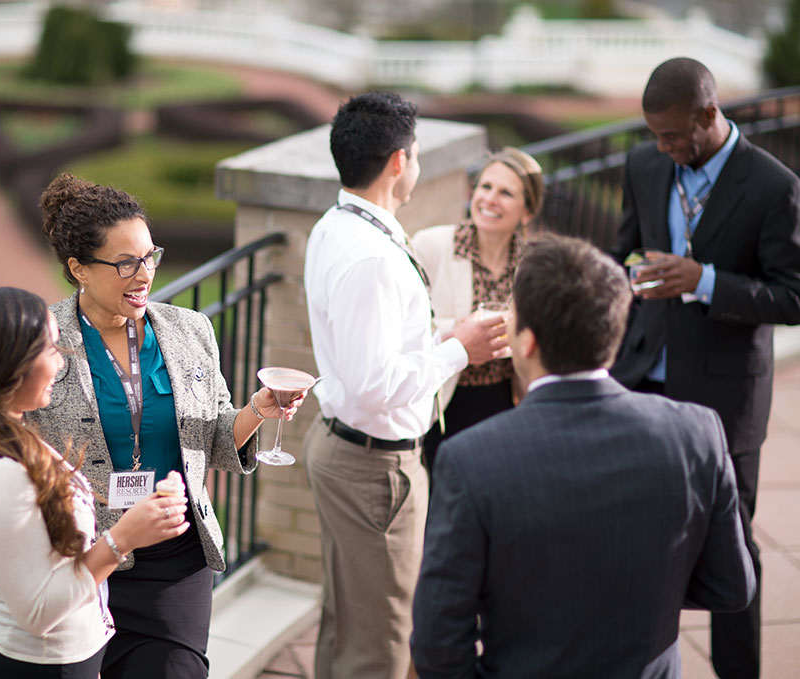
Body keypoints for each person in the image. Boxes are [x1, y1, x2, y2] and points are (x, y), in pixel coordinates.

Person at [0, 174, 304, 678]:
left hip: (172, 557)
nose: (144, 273)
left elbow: (215, 442)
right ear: (78, 268)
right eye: (126, 262)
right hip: (79, 556)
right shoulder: (43, 337)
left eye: (150, 256)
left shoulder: (192, 330)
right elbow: (1, 414)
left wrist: (258, 409)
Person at [411, 234, 757, 679]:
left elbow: (438, 646)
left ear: (528, 342)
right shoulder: (698, 433)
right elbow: (733, 587)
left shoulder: (470, 460)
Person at [610, 57, 800, 679]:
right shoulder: (645, 165)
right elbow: (623, 253)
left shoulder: (775, 186)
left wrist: (706, 282)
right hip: (643, 380)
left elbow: (792, 296)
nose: (661, 148)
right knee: (636, 534)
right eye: (653, 136)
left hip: (727, 400)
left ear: (709, 116)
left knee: (732, 547)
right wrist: (640, 272)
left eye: (671, 136)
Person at [302, 91, 501, 679]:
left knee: (345, 621)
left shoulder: (336, 224)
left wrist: (447, 338)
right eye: (414, 155)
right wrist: (458, 349)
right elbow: (373, 384)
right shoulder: (373, 259)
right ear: (398, 161)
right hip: (374, 472)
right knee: (382, 646)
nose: (416, 165)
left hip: (348, 453)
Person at [0, 286, 190, 678]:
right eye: (51, 350)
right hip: (38, 665)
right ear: (11, 365)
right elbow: (38, 613)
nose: (62, 365)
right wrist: (124, 537)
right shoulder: (4, 478)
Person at [411, 147, 543, 473]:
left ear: (527, 211)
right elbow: (406, 327)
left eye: (506, 193)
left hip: (503, 404)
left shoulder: (534, 264)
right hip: (441, 404)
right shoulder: (432, 246)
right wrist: (458, 328)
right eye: (485, 187)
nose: (490, 199)